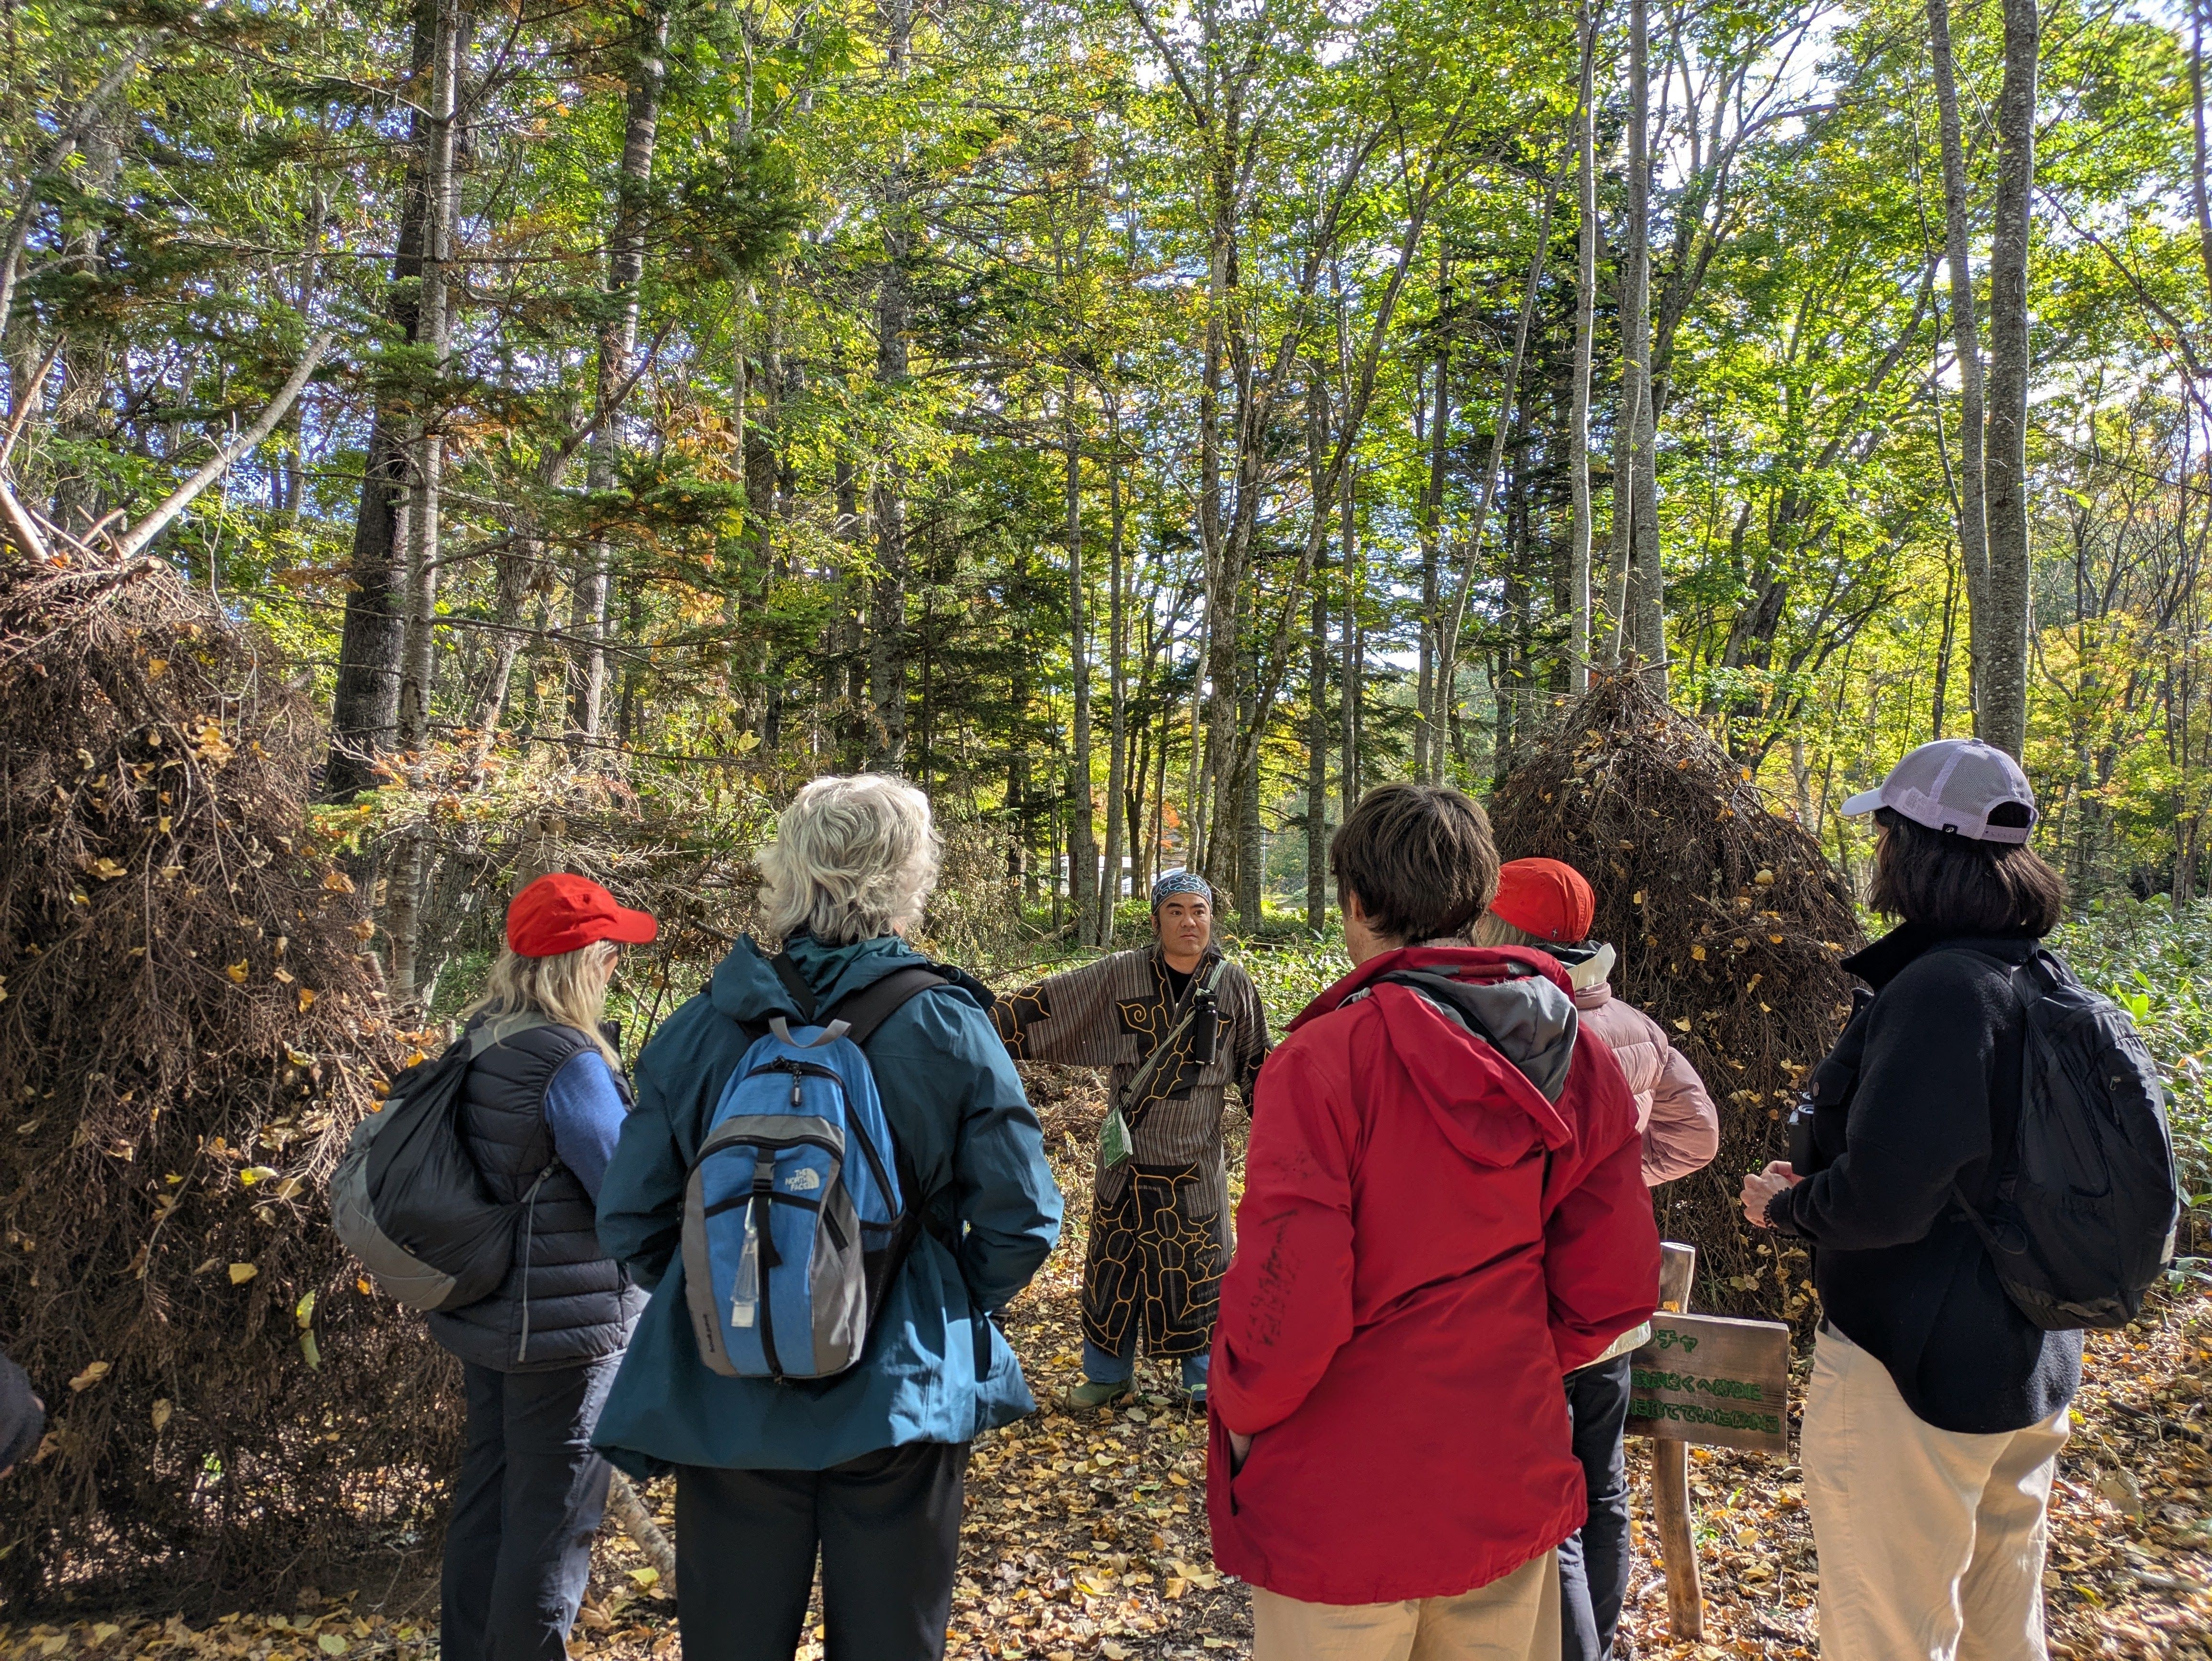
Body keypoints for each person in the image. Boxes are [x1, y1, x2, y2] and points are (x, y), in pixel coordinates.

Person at [593, 774, 1062, 1661]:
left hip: (724, 1392)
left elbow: (629, 1216)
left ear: (789, 872)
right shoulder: (946, 1023)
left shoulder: (703, 1024)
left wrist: (731, 1283)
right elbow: (1024, 1214)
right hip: (898, 1394)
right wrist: (944, 1300)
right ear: (908, 876)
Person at [1209, 783, 1662, 1661]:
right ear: (1475, 900)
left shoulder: (1324, 1059)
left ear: (1356, 901)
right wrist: (1506, 1366)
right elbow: (1610, 1288)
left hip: (1337, 1495)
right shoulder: (1572, 1050)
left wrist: (1235, 1404)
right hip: (1503, 1469)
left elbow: (1286, 1302)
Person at [1742, 738, 2078, 1661]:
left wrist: (1786, 1204)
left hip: (1911, 1372)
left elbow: (1883, 1202)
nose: (1875, 851)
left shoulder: (1939, 991)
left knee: (1885, 1632)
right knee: (1999, 1625)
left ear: (1912, 844)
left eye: (1883, 831)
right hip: (2025, 1358)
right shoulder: (2034, 975)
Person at [1472, 856, 1719, 1661]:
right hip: (1615, 1298)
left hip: (1531, 1299)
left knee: (1552, 1509)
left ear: (1498, 927)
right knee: (1602, 1481)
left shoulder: (1501, 1027)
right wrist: (1619, 1176)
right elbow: (1697, 1134)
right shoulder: (1632, 1026)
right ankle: (1603, 1637)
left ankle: (1577, 1648)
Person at [433, 872, 659, 1661]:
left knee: (488, 1503)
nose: (613, 970)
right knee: (554, 1522)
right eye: (608, 955)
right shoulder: (567, 1060)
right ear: (581, 963)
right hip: (564, 1332)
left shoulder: (480, 1035)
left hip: (490, 1314)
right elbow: (624, 1188)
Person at [991, 869, 1271, 1409]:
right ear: (1155, 920)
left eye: (1199, 910)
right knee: (1114, 1268)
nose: (1190, 921)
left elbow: (1258, 1067)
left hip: (1196, 1164)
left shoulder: (1233, 983)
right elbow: (1051, 1003)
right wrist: (972, 1018)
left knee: (1202, 1268)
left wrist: (1283, 1146)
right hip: (1128, 1163)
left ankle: (1202, 1377)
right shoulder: (1121, 975)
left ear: (1212, 918)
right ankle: (1107, 1374)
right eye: (1176, 911)